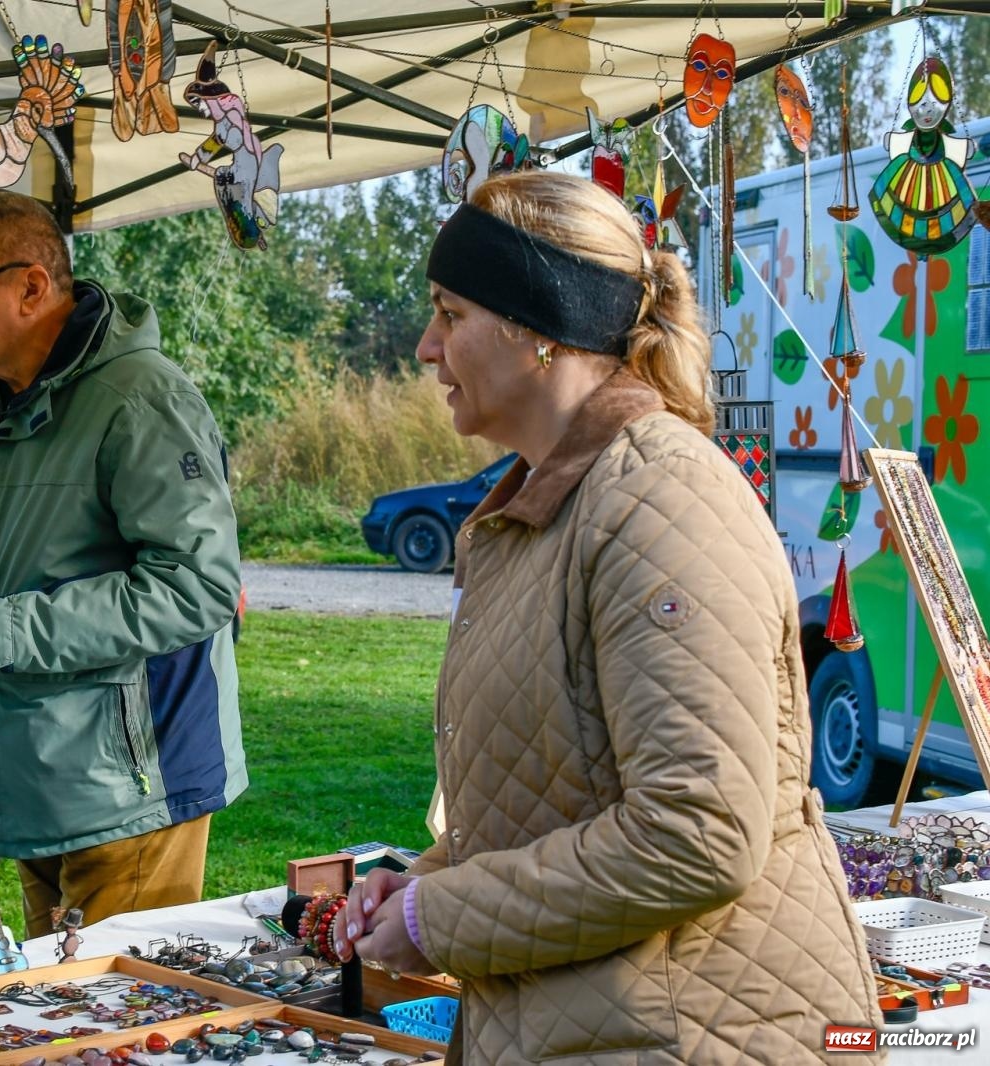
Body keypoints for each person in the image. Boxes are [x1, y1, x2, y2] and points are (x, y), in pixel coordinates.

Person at [336, 171, 884, 1063]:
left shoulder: (662, 502)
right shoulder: (547, 509)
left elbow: (696, 835)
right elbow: (561, 792)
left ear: (533, 326)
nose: (427, 347)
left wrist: (441, 918)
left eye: (450, 313)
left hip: (690, 1034)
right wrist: (423, 881)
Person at [0, 191, 246, 937]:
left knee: (119, 1026)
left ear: (33, 288)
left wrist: (9, 630)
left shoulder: (141, 401)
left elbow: (199, 585)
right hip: (19, 781)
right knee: (56, 1026)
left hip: (135, 788)